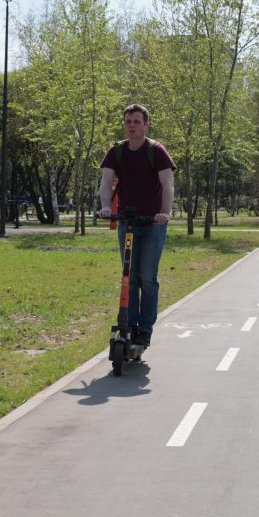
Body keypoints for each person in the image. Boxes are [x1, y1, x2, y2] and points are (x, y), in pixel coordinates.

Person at [98, 104, 176, 348]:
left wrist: (164, 213)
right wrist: (105, 207)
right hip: (127, 222)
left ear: (146, 124)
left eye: (137, 122)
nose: (132, 125)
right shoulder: (116, 151)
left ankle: (144, 329)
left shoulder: (157, 151)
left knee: (148, 278)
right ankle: (128, 325)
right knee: (129, 277)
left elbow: (168, 185)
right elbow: (106, 181)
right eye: (128, 121)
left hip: (152, 223)